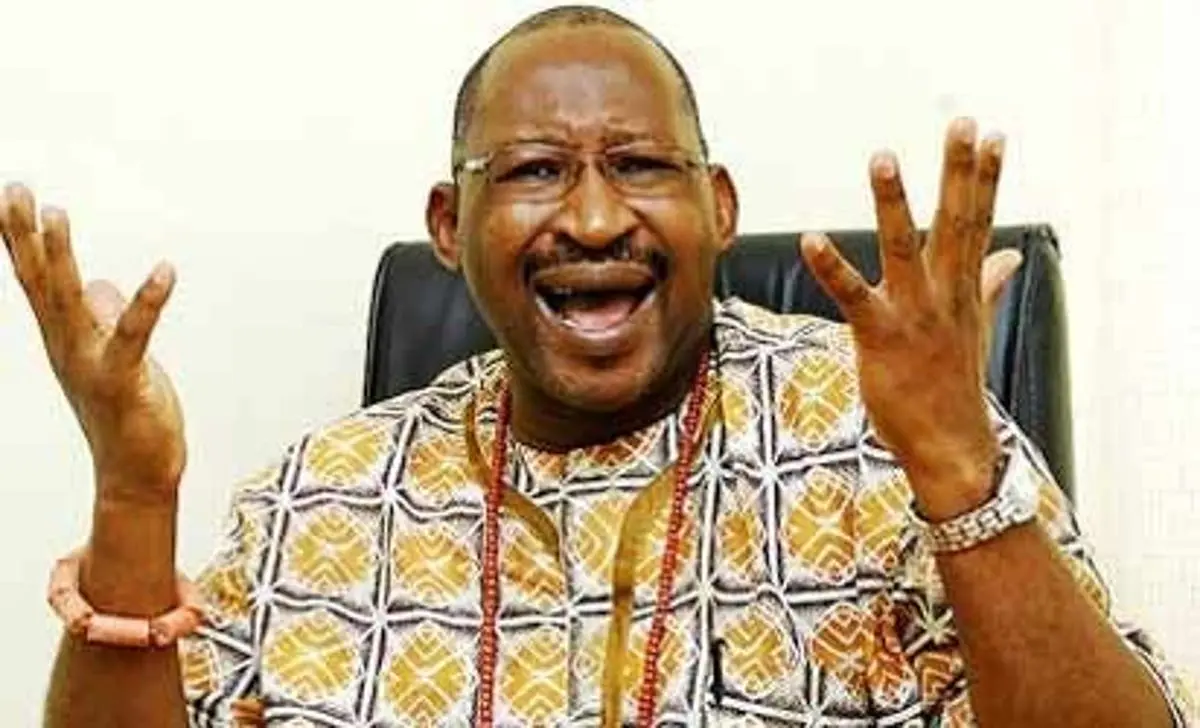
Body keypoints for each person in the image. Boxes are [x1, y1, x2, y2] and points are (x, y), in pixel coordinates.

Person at [3, 5, 1193, 727]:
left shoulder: (884, 425)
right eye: (532, 170)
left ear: (719, 208)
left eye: (639, 165)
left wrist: (957, 471)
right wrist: (133, 495)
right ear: (447, 224)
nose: (590, 216)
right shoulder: (319, 497)